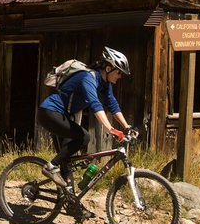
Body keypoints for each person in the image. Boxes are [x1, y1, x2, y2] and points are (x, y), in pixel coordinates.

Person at [37, 47, 132, 188]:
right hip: (50, 112)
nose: (120, 76)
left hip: (64, 116)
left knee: (66, 162)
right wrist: (111, 129)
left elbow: (112, 104)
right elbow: (95, 105)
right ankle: (50, 167)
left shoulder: (104, 84)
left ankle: (70, 202)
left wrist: (127, 127)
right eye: (118, 72)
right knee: (83, 137)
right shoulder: (87, 77)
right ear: (108, 69)